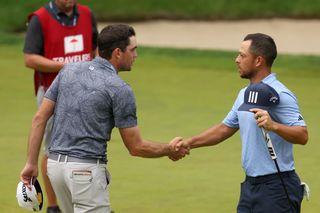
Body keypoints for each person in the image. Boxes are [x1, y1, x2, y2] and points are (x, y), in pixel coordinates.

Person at [20, 23, 189, 213]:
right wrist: (169, 149)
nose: (136, 55)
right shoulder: (119, 89)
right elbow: (136, 147)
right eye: (133, 50)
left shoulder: (68, 71)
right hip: (85, 173)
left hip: (55, 168)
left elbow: (39, 118)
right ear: (118, 52)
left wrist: (31, 163)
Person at [176, 33, 308, 213]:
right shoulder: (245, 94)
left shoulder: (281, 94)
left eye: (242, 55)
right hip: (250, 186)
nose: (237, 60)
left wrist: (273, 126)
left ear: (258, 60)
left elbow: (302, 135)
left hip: (278, 186)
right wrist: (189, 143)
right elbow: (225, 128)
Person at [23, 0, 98, 212]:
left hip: (85, 89)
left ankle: (86, 201)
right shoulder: (40, 18)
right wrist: (67, 67)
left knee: (87, 141)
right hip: (51, 92)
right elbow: (29, 59)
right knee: (52, 147)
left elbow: (95, 49)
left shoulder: (86, 13)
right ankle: (54, 206)